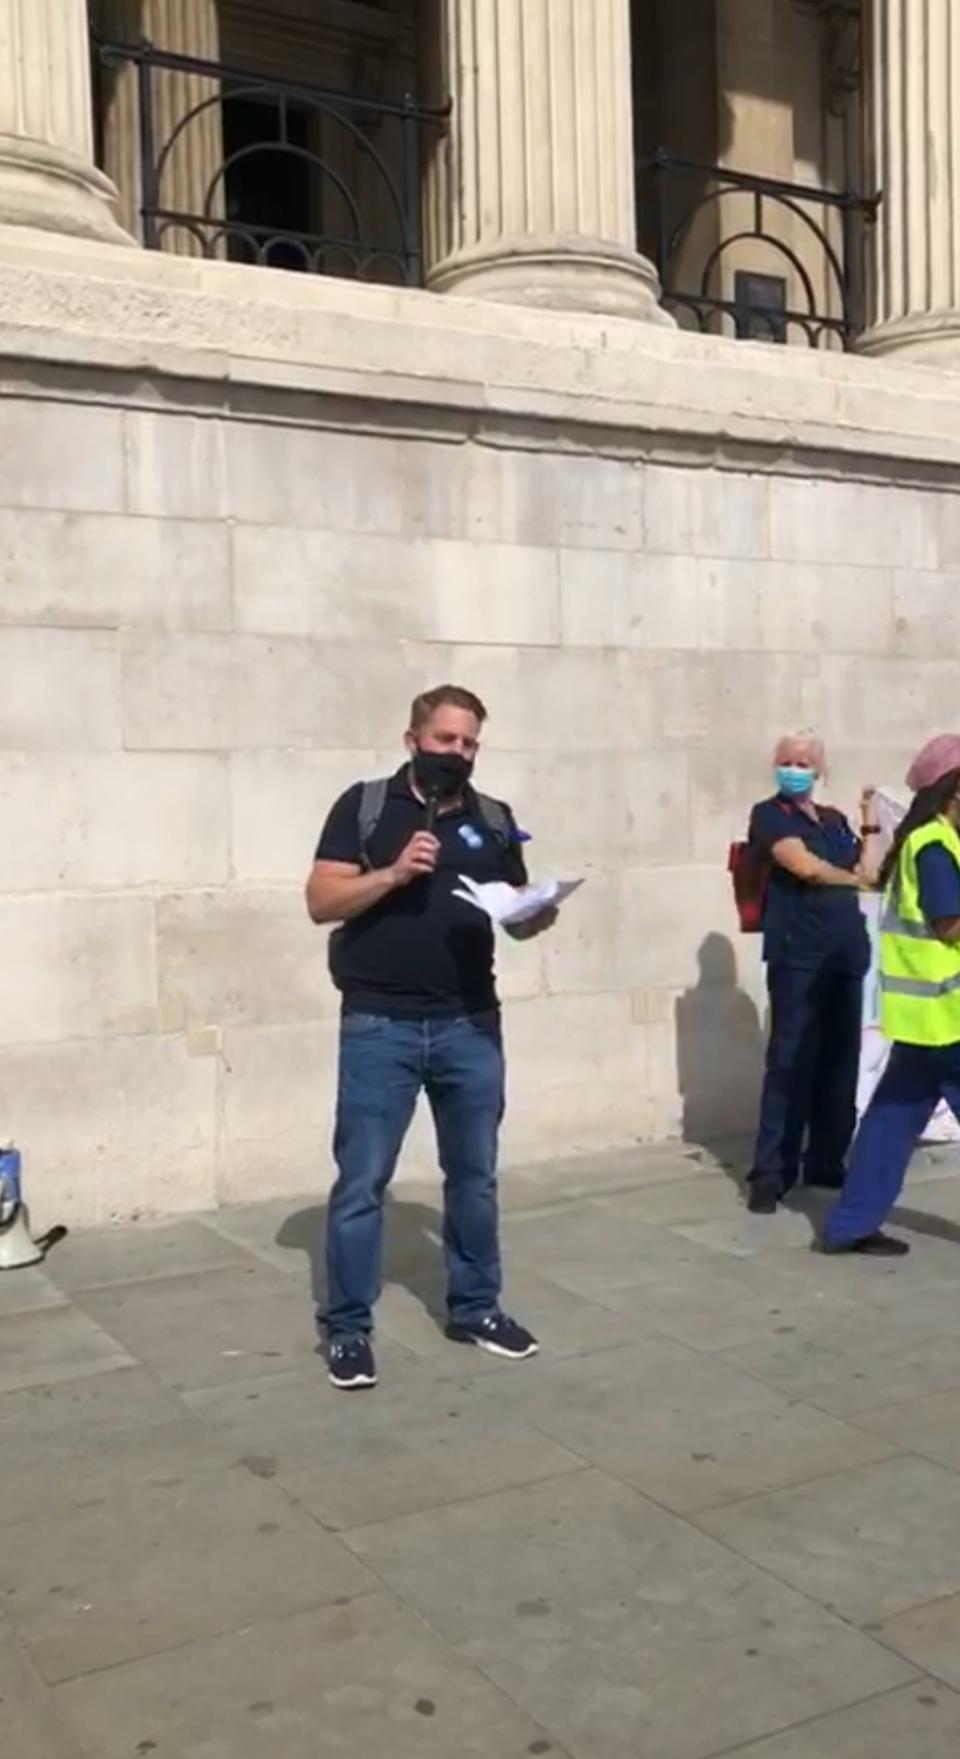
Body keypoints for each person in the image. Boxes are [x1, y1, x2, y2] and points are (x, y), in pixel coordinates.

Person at [305, 684, 556, 1390]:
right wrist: (389, 873)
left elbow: (513, 902)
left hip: (470, 1023)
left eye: (470, 743)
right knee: (362, 1182)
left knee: (474, 1177)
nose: (459, 754)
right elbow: (321, 900)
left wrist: (531, 916)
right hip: (379, 1023)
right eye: (446, 740)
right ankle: (348, 1329)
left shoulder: (494, 818)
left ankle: (476, 1307)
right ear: (413, 738)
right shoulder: (366, 807)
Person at [823, 734, 960, 1256]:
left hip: (925, 1018)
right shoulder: (934, 844)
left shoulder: (930, 839)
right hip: (948, 1015)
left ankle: (850, 1225)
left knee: (890, 1120)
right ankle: (851, 1223)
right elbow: (948, 924)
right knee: (891, 1119)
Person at [746, 732, 879, 1215]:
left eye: (803, 762)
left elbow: (868, 867)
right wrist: (857, 880)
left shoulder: (834, 820)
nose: (794, 768)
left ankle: (825, 1158)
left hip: (844, 952)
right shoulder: (768, 815)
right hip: (797, 953)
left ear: (819, 769)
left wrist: (868, 825)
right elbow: (804, 867)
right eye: (786, 760)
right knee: (789, 1061)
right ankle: (770, 1172)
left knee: (840, 1058)